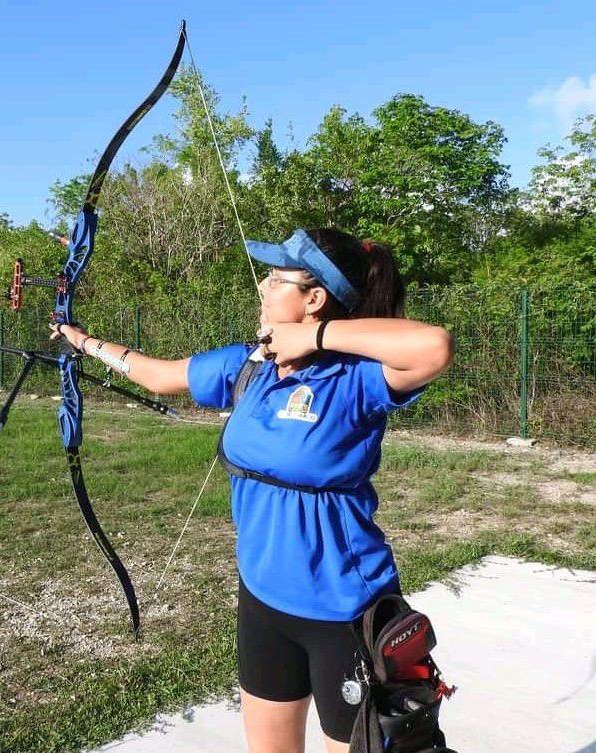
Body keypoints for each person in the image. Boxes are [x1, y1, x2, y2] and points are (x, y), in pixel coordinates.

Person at [52, 228, 454, 753]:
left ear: (314, 299)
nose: (261, 288)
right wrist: (79, 339)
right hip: (263, 599)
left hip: (344, 608)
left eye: (275, 279)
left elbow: (434, 346)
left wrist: (315, 338)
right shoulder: (250, 367)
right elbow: (158, 375)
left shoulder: (357, 376)